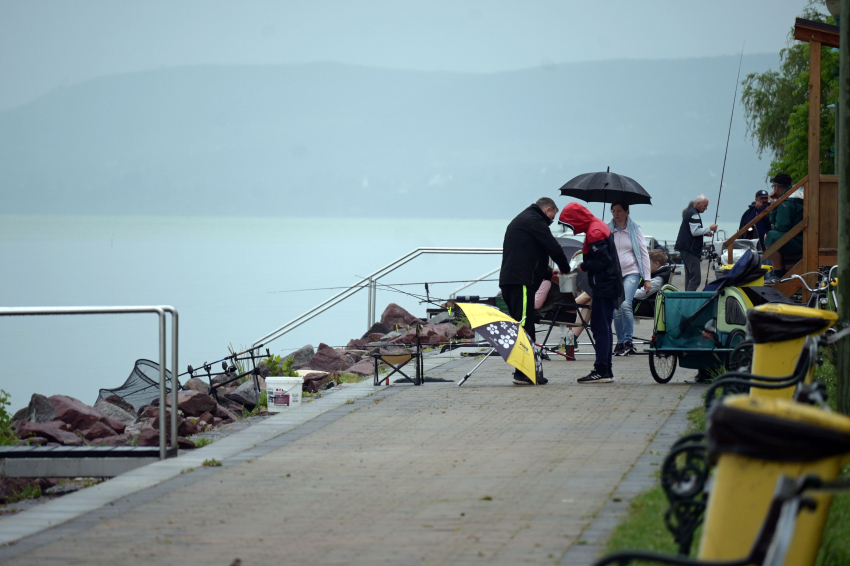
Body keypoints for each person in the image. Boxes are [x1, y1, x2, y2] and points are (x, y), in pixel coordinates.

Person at [499, 197, 572, 385]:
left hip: (511, 281)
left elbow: (530, 256)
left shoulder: (523, 220)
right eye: (553, 216)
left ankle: (524, 370)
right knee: (524, 326)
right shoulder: (535, 220)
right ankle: (523, 373)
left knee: (523, 324)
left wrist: (549, 275)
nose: (551, 221)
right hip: (520, 282)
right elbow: (553, 247)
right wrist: (565, 268)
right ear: (548, 209)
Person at [559, 202, 623, 384]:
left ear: (577, 219)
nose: (572, 228)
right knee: (604, 327)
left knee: (600, 328)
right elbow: (603, 254)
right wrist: (587, 251)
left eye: (571, 223)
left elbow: (603, 260)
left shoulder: (594, 232)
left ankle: (602, 370)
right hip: (609, 285)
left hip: (605, 286)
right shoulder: (597, 226)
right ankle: (606, 369)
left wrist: (584, 265)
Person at [608, 201, 651, 357]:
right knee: (616, 308)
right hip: (613, 274)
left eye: (619, 211)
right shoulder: (607, 229)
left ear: (627, 212)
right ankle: (620, 343)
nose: (616, 214)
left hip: (631, 272)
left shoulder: (635, 229)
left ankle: (628, 341)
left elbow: (644, 253)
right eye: (613, 211)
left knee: (626, 304)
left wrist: (647, 278)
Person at [764, 173, 803, 279]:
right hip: (803, 237)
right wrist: (775, 204)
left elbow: (782, 226)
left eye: (773, 187)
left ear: (777, 187)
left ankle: (779, 273)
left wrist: (775, 206)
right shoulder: (797, 195)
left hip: (798, 240)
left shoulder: (787, 201)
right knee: (773, 236)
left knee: (769, 237)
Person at [674, 195, 717, 292]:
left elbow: (692, 231)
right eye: (705, 206)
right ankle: (689, 300)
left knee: (689, 278)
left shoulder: (689, 212)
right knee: (696, 279)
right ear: (698, 204)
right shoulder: (694, 214)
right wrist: (710, 228)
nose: (706, 208)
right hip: (690, 250)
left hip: (684, 248)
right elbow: (695, 232)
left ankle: (686, 297)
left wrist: (705, 233)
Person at [632, 249, 672, 317]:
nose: (644, 266)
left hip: (646, 307)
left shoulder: (659, 279)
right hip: (645, 304)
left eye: (647, 264)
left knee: (619, 308)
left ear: (657, 264)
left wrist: (626, 292)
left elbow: (641, 294)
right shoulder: (661, 273)